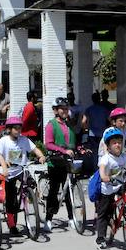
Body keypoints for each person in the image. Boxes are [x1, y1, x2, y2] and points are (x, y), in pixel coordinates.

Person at [0, 116, 46, 236]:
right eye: (15, 128)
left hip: (21, 170)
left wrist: (41, 156)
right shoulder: (4, 141)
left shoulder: (24, 140)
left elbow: (35, 149)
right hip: (9, 173)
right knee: (11, 199)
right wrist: (4, 162)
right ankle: (12, 225)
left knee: (31, 182)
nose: (18, 131)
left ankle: (30, 196)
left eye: (19, 128)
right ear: (9, 129)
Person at [43, 97, 78, 231]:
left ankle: (71, 218)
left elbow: (72, 143)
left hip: (67, 162)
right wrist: (63, 151)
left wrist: (79, 149)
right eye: (62, 109)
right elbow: (48, 144)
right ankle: (48, 219)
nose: (65, 111)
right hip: (55, 162)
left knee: (68, 191)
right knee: (53, 191)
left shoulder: (68, 125)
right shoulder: (51, 125)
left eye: (66, 108)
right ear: (55, 110)